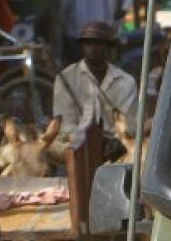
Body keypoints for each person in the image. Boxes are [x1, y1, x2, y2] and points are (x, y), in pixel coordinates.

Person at [52, 21, 140, 160]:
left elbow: (130, 125)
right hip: (77, 148)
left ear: (108, 47)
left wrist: (115, 142)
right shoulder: (66, 78)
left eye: (98, 44)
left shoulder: (126, 81)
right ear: (82, 46)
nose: (93, 48)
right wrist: (89, 142)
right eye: (88, 43)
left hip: (117, 149)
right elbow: (66, 126)